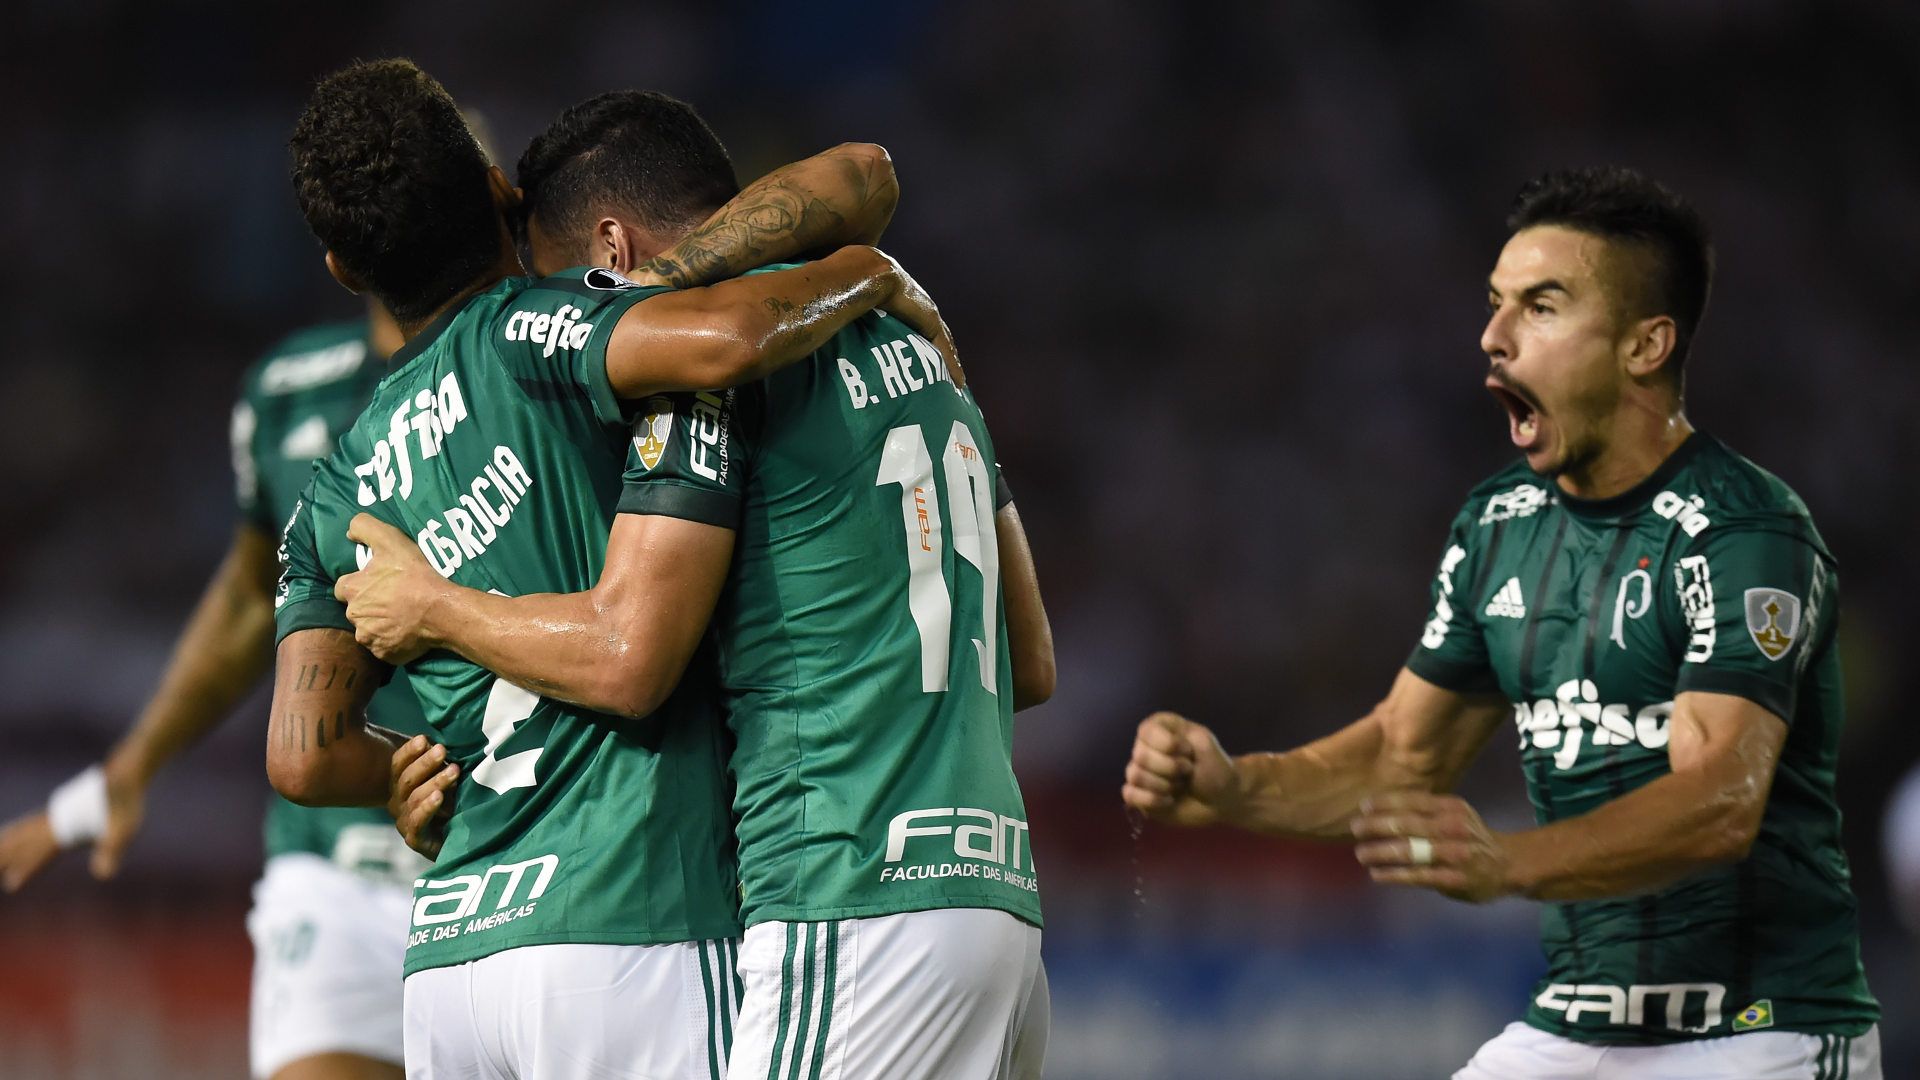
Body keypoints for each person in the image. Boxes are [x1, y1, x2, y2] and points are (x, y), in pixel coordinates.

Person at [338, 88, 1056, 1080]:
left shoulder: (703, 379)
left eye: (566, 287)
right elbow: (1030, 659)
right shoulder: (917, 345)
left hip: (847, 899)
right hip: (998, 904)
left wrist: (434, 609)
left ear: (611, 252)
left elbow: (632, 648)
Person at [1122, 167, 1880, 1080]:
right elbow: (1402, 759)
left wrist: (1511, 863)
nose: (1493, 336)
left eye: (1542, 307)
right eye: (1496, 304)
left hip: (1762, 1031)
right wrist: (1234, 784)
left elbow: (1721, 800)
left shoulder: (1743, 530)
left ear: (1645, 345)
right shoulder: (1499, 526)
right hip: (1573, 1029)